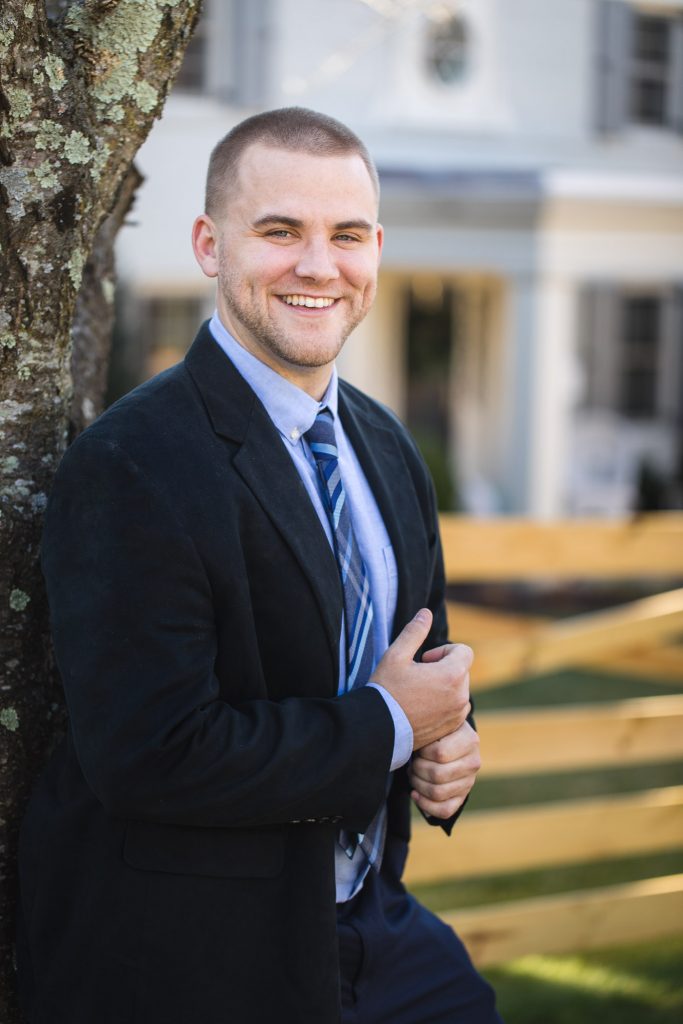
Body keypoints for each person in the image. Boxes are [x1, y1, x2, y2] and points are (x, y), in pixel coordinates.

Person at [17, 107, 502, 1024]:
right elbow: (152, 757)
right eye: (279, 231)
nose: (318, 266)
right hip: (191, 957)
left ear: (375, 250)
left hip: (370, 922)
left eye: (346, 235)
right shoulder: (132, 465)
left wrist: (447, 748)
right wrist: (394, 727)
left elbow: (414, 666)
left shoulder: (387, 448)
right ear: (210, 243)